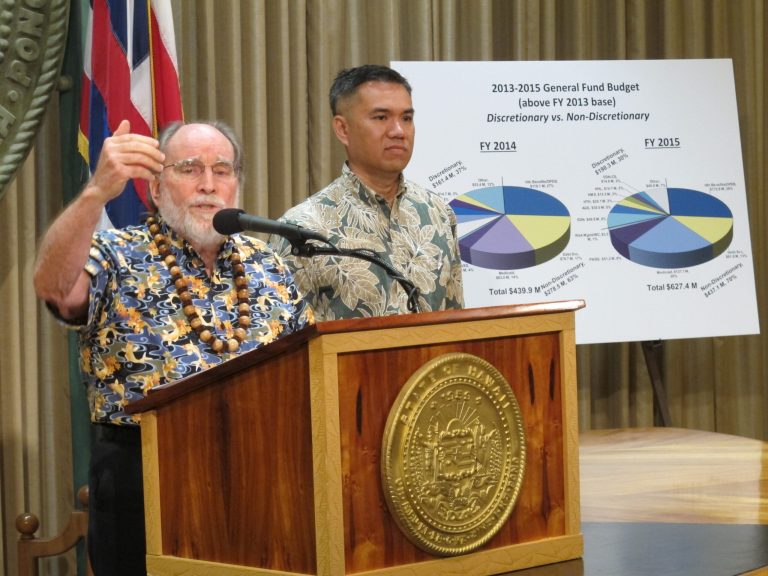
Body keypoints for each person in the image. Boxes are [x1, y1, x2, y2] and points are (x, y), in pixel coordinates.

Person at [33, 119, 313, 575]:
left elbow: (307, 363)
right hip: (143, 477)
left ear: (236, 185)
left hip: (260, 472)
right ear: (156, 189)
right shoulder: (117, 252)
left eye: (222, 171)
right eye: (189, 169)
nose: (208, 184)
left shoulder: (267, 263)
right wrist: (95, 193)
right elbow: (55, 289)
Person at [271, 64, 464, 320]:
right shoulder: (300, 230)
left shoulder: (438, 213)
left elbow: (456, 322)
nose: (398, 131)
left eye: (406, 118)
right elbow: (287, 344)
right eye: (381, 117)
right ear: (343, 129)